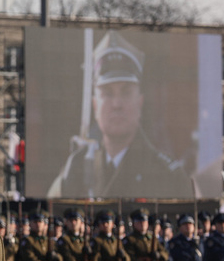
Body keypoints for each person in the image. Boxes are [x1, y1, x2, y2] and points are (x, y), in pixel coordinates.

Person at [50, 31, 181, 199]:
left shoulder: (168, 174)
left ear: (140, 102)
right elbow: (55, 201)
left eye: (126, 92)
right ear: (95, 105)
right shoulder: (78, 165)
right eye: (107, 93)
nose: (117, 104)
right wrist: (70, 168)